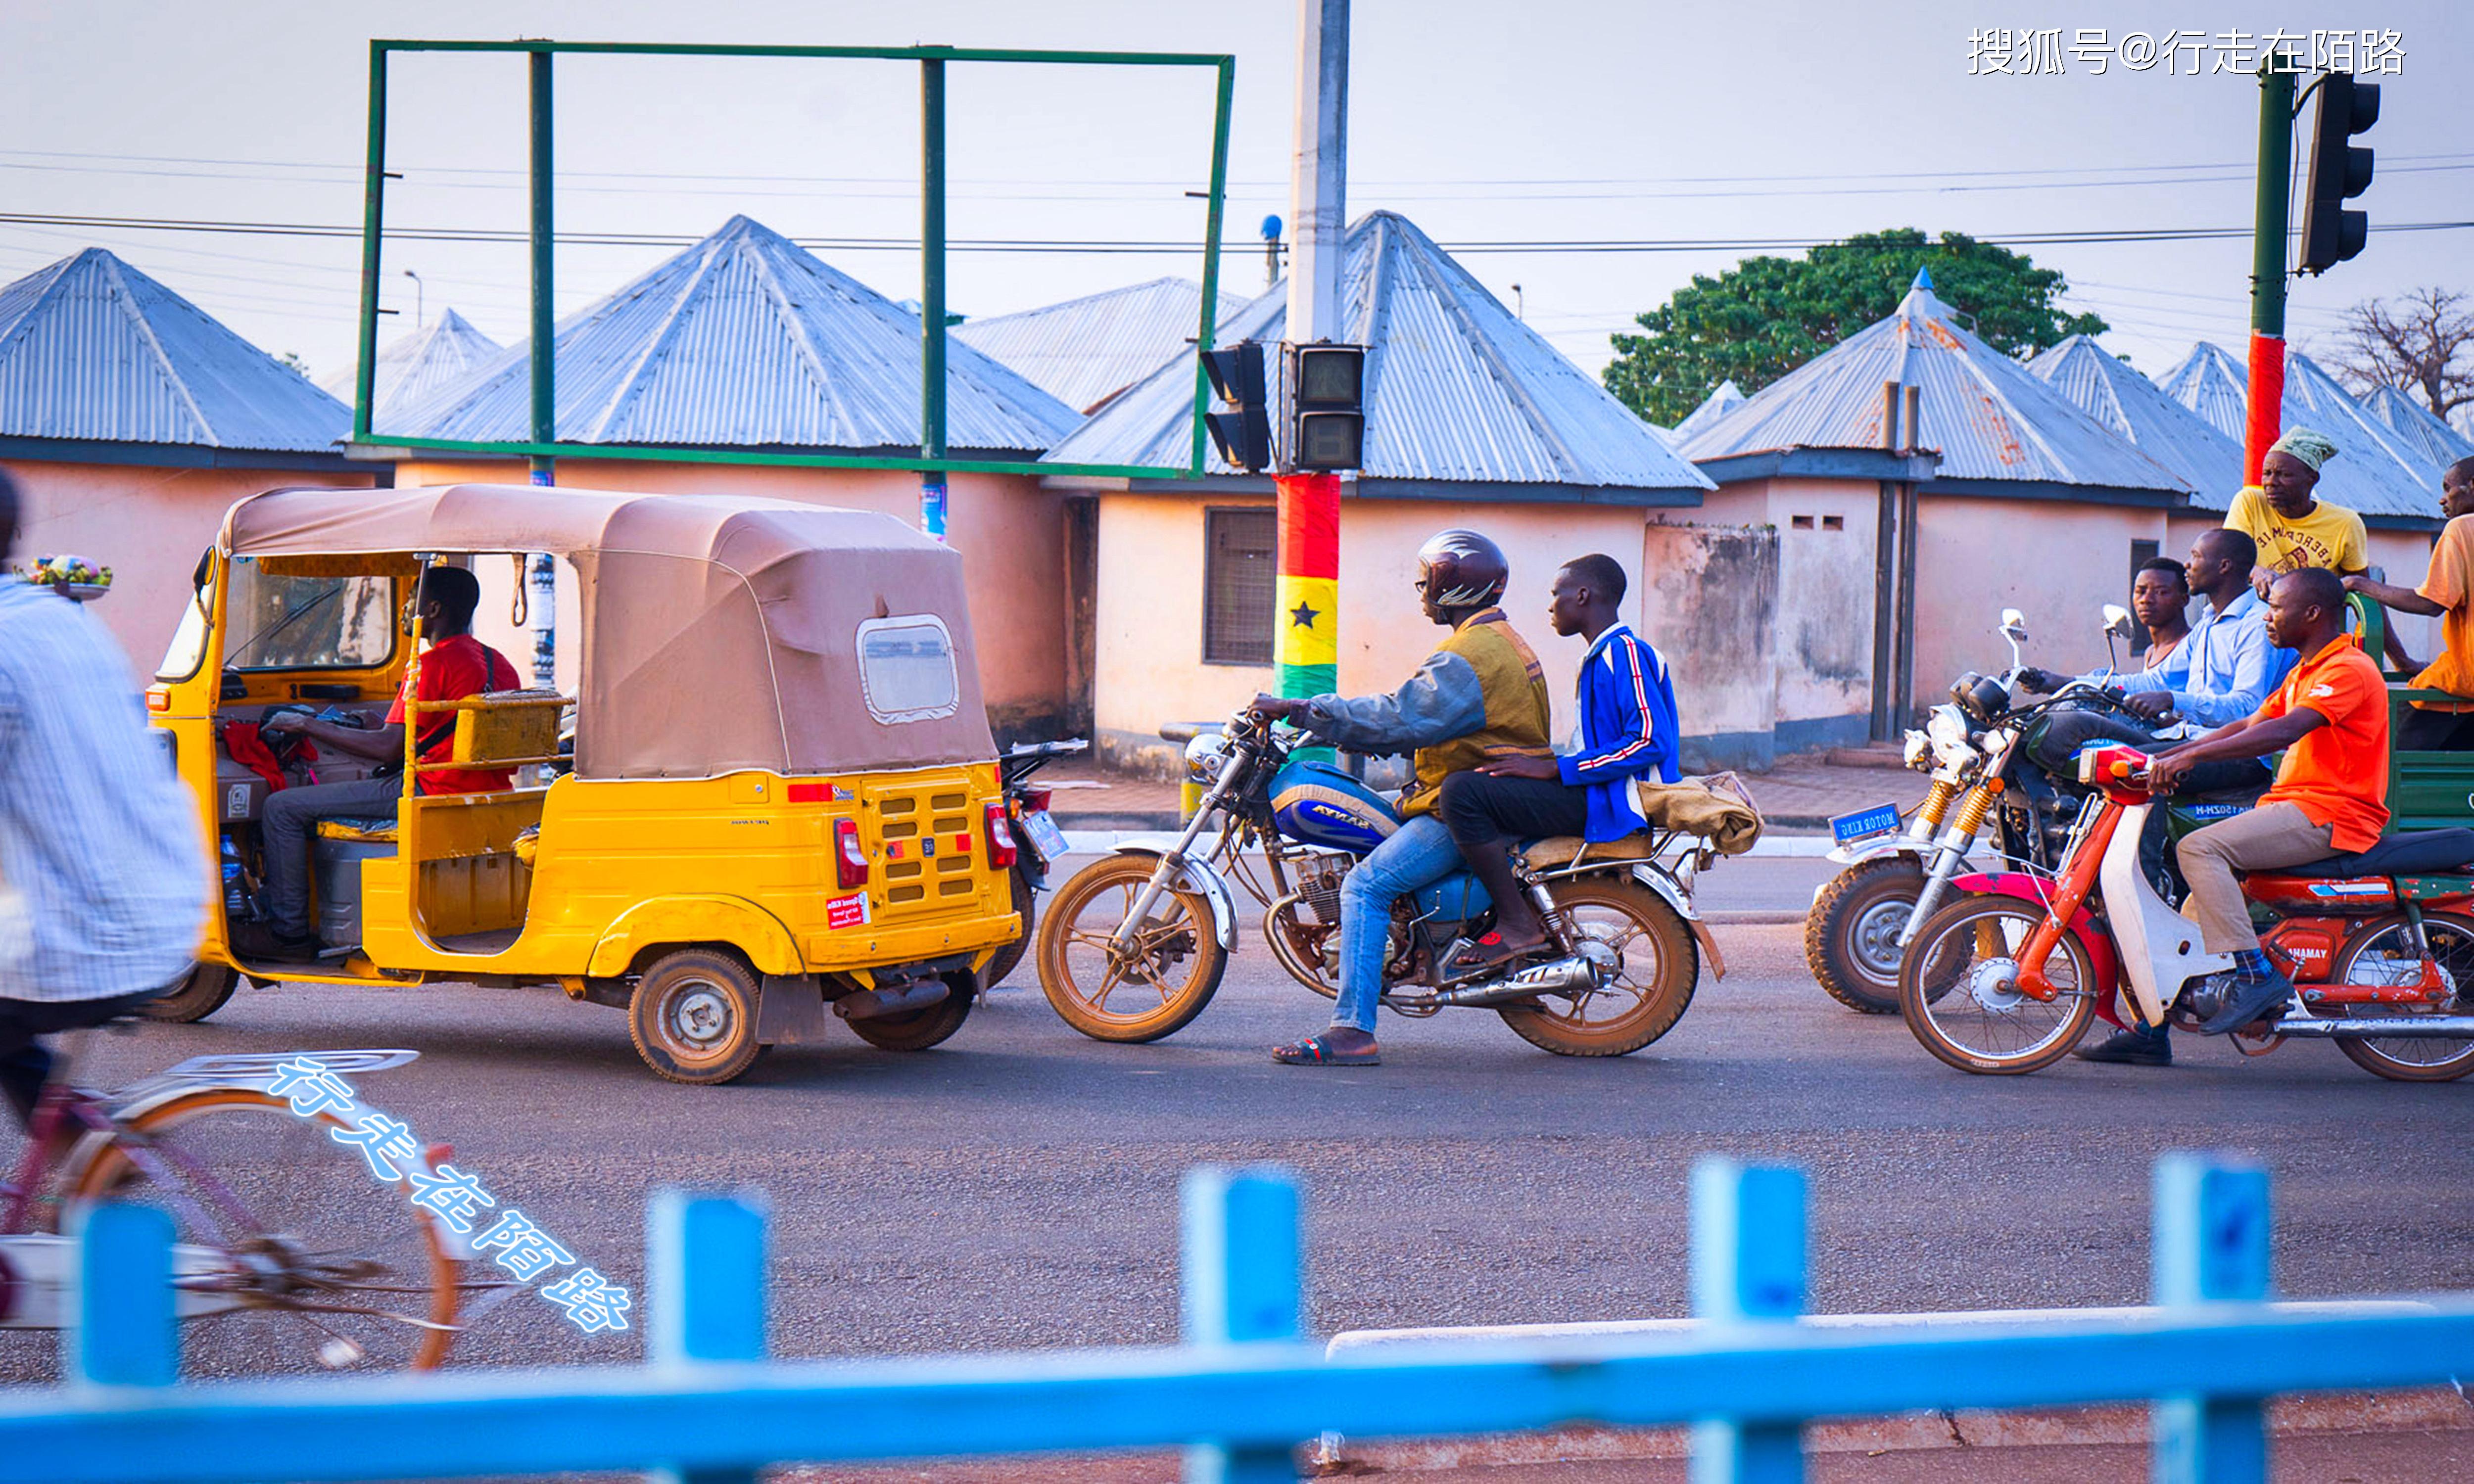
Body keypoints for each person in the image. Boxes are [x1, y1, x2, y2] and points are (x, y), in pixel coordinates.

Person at [1251, 530, 1554, 1067]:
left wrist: (1303, 711)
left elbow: (1400, 716)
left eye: (1428, 581)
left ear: (1451, 586)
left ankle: (1352, 1029)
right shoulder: (1499, 641)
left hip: (1460, 806)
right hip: (1473, 792)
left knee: (1364, 885)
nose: (1421, 592)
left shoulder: (1469, 655)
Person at [0, 467, 206, 1127]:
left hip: (79, 931)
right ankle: (84, 1145)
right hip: (163, 911)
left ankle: (83, 1142)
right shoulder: (61, 620)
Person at [2147, 566, 2390, 1040]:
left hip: (2332, 815)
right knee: (2196, 909)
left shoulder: (2348, 669)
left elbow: (2281, 732)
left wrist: (2193, 756)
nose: (2267, 618)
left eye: (2277, 608)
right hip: (2293, 807)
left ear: (2313, 613)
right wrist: (2164, 755)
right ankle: (2151, 1027)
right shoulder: (2305, 671)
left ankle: (2256, 975)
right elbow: (2247, 725)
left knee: (2199, 849)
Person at [252, 565, 517, 960]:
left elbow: (386, 750)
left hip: (430, 789)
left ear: (433, 608)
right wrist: (384, 726)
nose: (405, 609)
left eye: (411, 600)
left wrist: (306, 724)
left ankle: (288, 935)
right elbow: (436, 731)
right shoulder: (497, 662)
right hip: (484, 790)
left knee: (282, 808)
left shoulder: (430, 666)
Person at [1432, 554, 1679, 971]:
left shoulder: (1626, 653)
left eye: (1556, 595)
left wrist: (1559, 769)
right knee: (1484, 779)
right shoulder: (1601, 656)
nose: (1551, 606)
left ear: (1583, 596)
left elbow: (1650, 740)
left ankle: (1517, 923)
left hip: (1616, 800)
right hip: (1596, 791)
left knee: (1461, 792)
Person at [2018, 529, 2293, 784]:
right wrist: (2065, 683)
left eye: (2196, 557)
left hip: (2238, 754)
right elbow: (2156, 680)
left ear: (2224, 567)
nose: (2187, 564)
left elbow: (2247, 707)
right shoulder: (2209, 622)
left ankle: (2138, 839)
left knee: (2126, 769)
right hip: (2190, 737)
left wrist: (2173, 699)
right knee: (2078, 732)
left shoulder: (2256, 623)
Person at [2345, 455, 2474, 750]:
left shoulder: (2462, 529)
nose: (2443, 501)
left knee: (2386, 753)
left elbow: (2431, 603)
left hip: (2466, 679)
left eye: (2448, 489)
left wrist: (2360, 583)